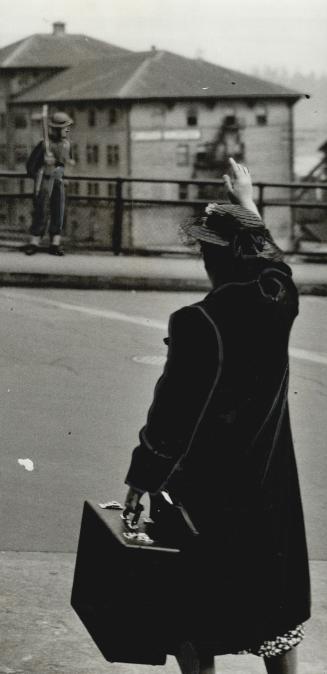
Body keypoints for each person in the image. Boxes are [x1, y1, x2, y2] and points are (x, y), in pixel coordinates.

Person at [123, 158, 311, 674]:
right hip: (270, 486)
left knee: (195, 614)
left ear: (209, 258)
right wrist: (248, 203)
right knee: (274, 609)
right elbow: (276, 263)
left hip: (205, 494)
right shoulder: (278, 300)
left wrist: (141, 478)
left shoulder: (196, 322)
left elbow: (170, 418)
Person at [24, 111, 74, 256]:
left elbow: (69, 164)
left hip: (60, 182)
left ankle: (55, 244)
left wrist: (68, 166)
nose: (67, 130)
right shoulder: (44, 145)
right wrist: (43, 164)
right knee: (41, 211)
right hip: (46, 181)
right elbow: (30, 167)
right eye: (65, 128)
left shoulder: (67, 145)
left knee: (59, 212)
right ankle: (34, 242)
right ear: (57, 129)